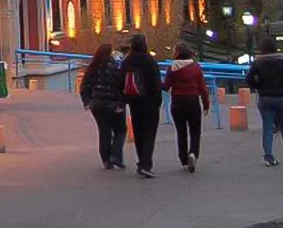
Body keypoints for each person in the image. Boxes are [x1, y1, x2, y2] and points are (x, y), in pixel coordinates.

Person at [246, 37, 283, 166]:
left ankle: (268, 156)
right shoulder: (282, 61)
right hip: (280, 96)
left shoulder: (258, 63)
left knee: (267, 127)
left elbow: (249, 79)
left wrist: (259, 86)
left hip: (264, 97)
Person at [162, 43, 209, 173]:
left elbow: (166, 86)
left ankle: (183, 161)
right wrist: (206, 104)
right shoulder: (195, 67)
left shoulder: (172, 67)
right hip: (193, 100)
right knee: (195, 130)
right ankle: (193, 153)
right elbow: (202, 88)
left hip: (177, 102)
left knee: (181, 132)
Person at [78, 43, 126, 170]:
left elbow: (84, 86)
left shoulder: (92, 68)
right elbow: (121, 87)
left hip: (97, 104)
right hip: (113, 103)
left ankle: (106, 160)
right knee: (120, 130)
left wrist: (87, 101)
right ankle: (115, 155)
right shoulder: (116, 68)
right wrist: (121, 103)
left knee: (104, 131)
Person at [121, 33, 162, 179]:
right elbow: (156, 83)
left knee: (138, 133)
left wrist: (125, 99)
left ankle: (141, 161)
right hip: (150, 103)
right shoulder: (149, 61)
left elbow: (121, 82)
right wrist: (158, 101)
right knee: (149, 133)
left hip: (134, 102)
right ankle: (146, 164)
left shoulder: (126, 61)